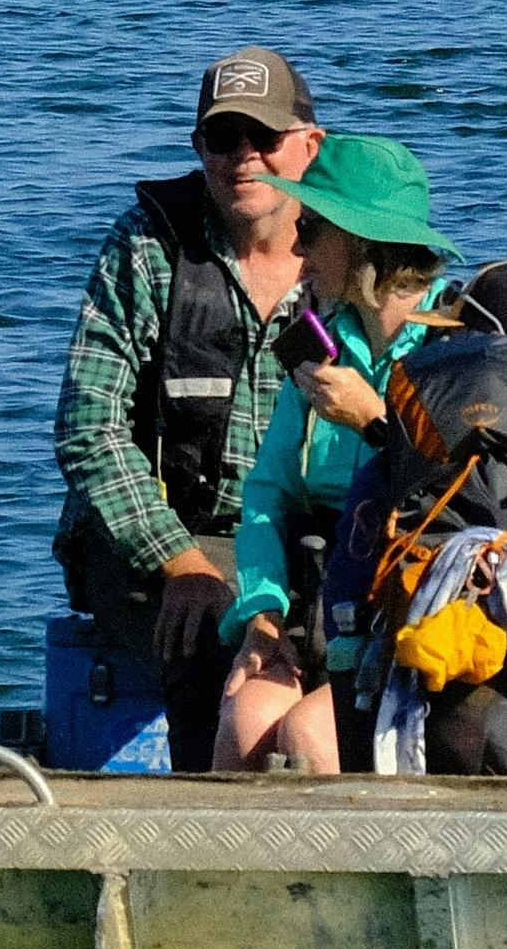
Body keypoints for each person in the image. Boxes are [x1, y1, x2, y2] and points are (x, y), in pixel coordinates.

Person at [53, 47, 324, 773]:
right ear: (197, 146)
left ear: (308, 144)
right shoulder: (146, 248)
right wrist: (183, 564)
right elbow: (88, 431)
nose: (242, 158)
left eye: (262, 139)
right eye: (220, 139)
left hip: (304, 537)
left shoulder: (351, 253)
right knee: (216, 627)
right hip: (157, 540)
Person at [212, 135, 458, 773]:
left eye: (312, 228)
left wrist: (376, 420)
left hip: (413, 613)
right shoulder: (321, 344)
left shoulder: (459, 349)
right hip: (321, 598)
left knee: (309, 736)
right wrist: (262, 615)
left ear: (361, 241)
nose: (296, 247)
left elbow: (468, 494)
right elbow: (266, 494)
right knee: (246, 721)